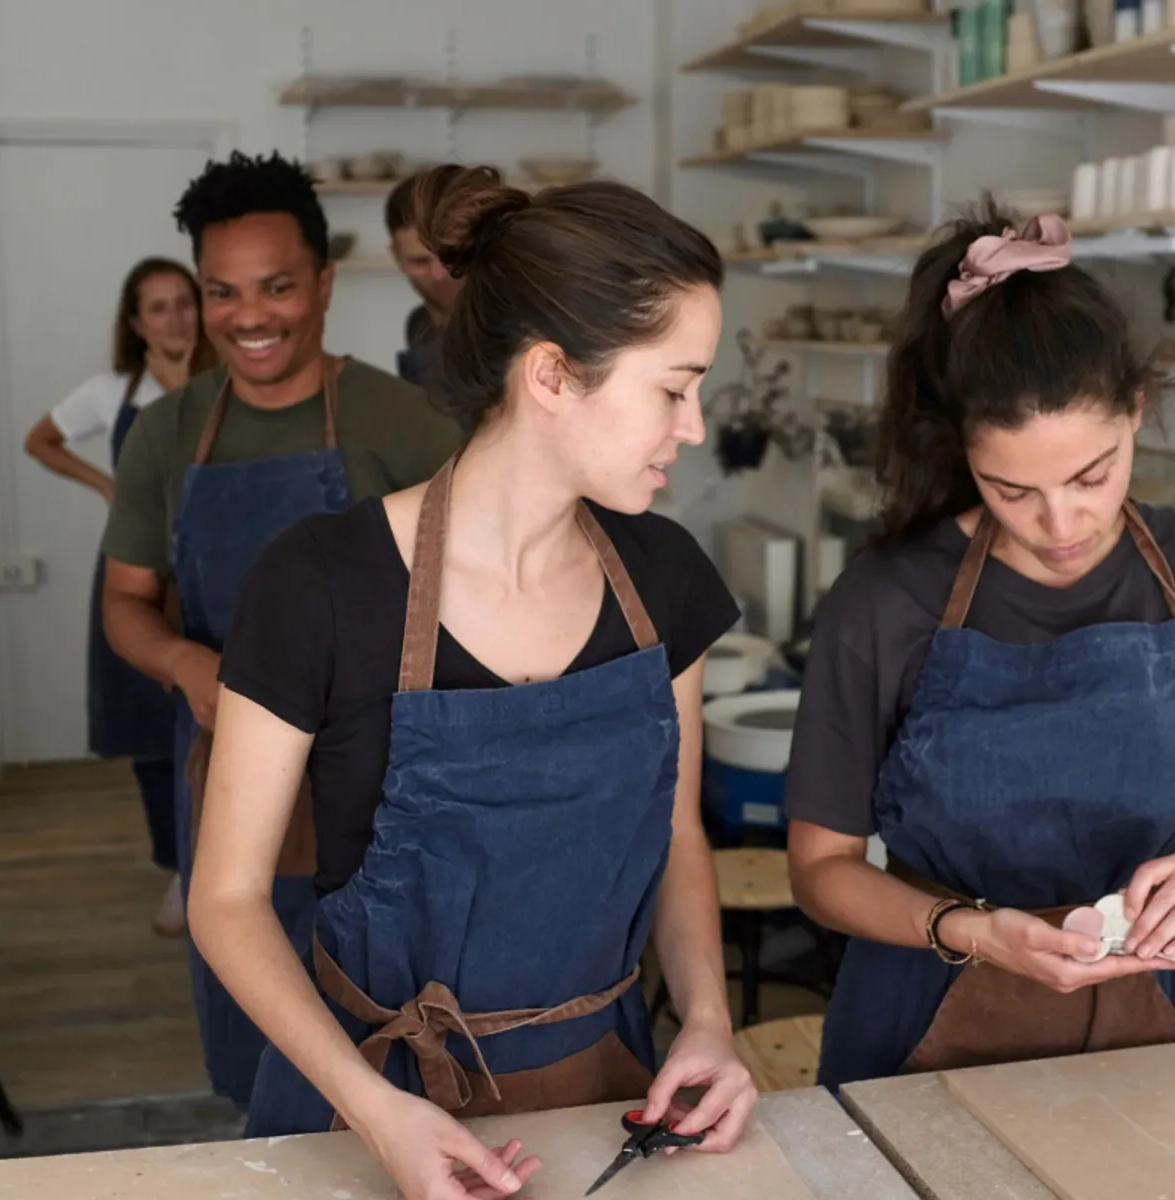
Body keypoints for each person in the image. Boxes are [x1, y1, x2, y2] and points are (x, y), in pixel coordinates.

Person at [189, 164, 757, 1199]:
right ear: (551, 375)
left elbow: (676, 834)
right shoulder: (319, 586)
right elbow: (225, 901)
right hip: (367, 1106)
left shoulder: (663, 582)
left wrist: (710, 1024)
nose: (695, 426)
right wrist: (380, 1116)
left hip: (609, 1098)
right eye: (673, 387)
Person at [784, 199, 1175, 1090]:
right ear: (962, 451)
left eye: (1093, 475)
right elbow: (822, 869)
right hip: (911, 1041)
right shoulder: (885, 601)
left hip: (1139, 1045)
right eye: (1011, 489)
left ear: (1136, 410)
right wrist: (974, 931)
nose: (1061, 522)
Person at [100, 150, 461, 1109]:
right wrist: (188, 665)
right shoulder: (168, 434)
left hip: (390, 777)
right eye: (223, 292)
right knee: (254, 1018)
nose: (249, 316)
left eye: (277, 288)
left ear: (325, 285)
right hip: (229, 765)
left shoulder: (407, 422)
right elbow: (125, 603)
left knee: (397, 1023)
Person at [24, 256, 215, 937]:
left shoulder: (228, 383)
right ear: (135, 323)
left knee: (215, 719)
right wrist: (108, 488)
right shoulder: (112, 391)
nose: (174, 318)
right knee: (146, 730)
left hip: (210, 568)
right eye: (158, 307)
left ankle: (219, 865)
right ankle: (177, 868)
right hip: (135, 573)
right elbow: (39, 440)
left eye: (184, 303)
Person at [385, 171, 462, 386]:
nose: (440, 274)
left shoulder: (520, 326)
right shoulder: (419, 323)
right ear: (397, 257)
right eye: (420, 262)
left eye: (451, 256)